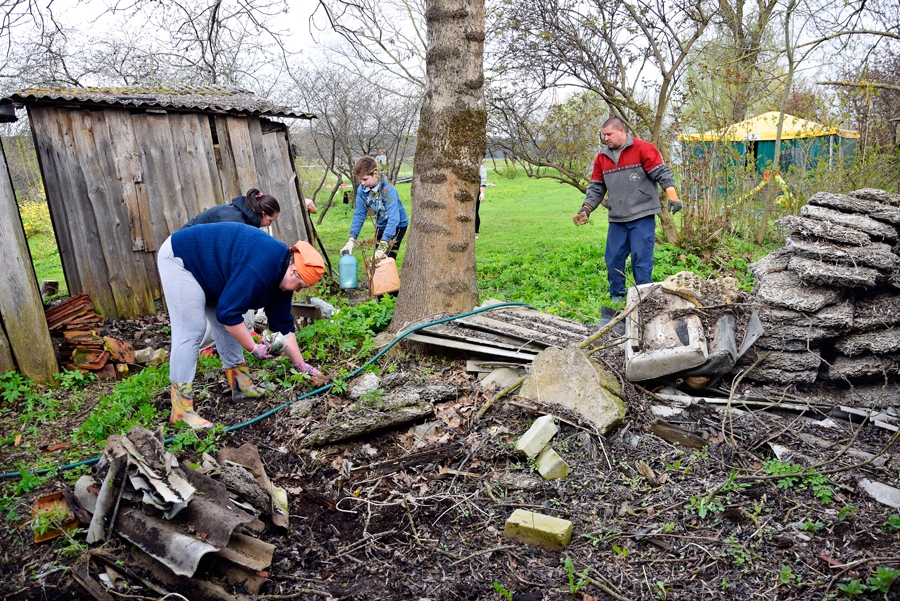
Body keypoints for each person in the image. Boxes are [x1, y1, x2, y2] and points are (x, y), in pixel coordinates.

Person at [157, 222, 325, 429]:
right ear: (293, 272)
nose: (298, 290)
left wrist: (302, 366)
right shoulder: (262, 267)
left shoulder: (282, 280)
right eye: (301, 285)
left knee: (227, 325)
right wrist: (254, 349)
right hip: (183, 258)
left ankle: (241, 386)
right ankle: (181, 411)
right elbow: (229, 314)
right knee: (191, 331)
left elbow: (283, 327)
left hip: (213, 272)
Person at [573, 117, 682, 303]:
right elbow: (596, 187)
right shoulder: (602, 158)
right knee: (613, 258)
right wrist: (586, 208)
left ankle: (643, 298)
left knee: (641, 259)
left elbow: (662, 173)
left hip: (642, 215)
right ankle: (617, 297)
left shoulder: (643, 149)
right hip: (617, 218)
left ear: (621, 131)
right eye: (604, 135)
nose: (606, 138)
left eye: (609, 134)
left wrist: (672, 195)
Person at [340, 156, 409, 262]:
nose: (362, 182)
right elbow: (359, 214)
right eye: (360, 179)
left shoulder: (388, 189)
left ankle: (389, 278)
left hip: (398, 224)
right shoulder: (362, 190)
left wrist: (385, 242)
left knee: (386, 260)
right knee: (376, 260)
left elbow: (394, 218)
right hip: (381, 223)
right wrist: (352, 239)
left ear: (375, 174)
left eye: (365, 179)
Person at [182, 188, 280, 229]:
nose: (269, 225)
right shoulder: (233, 219)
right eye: (270, 220)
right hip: (180, 247)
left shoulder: (242, 218)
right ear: (263, 214)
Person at [475, 163, 487, 239]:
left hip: (476, 192)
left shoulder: (481, 168)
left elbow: (482, 182)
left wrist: (482, 193)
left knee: (475, 211)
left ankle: (475, 232)